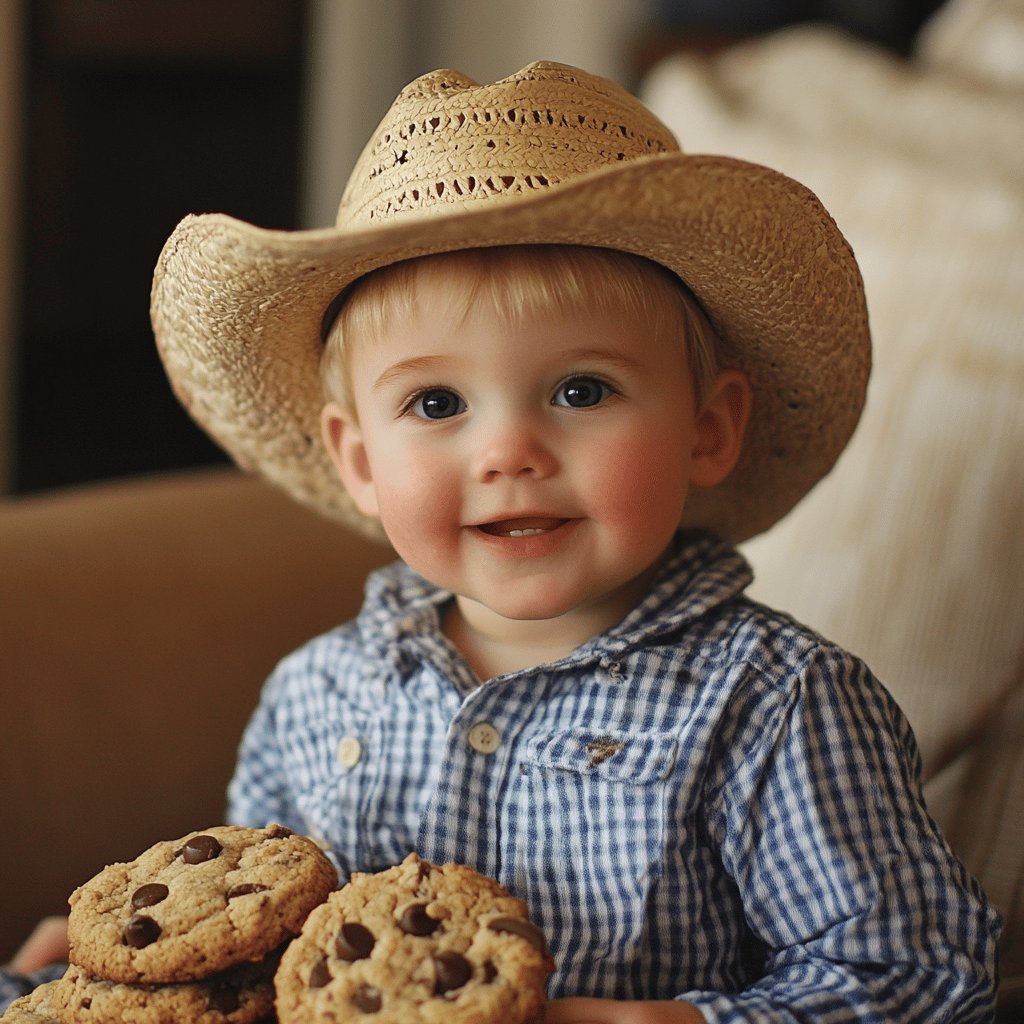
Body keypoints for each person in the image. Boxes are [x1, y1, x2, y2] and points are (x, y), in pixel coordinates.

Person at [2, 62, 999, 1022]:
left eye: (581, 390)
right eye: (436, 401)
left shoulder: (776, 703)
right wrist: (135, 971)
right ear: (356, 457)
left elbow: (918, 971)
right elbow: (257, 944)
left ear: (708, 427)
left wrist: (672, 1021)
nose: (509, 450)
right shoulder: (314, 692)